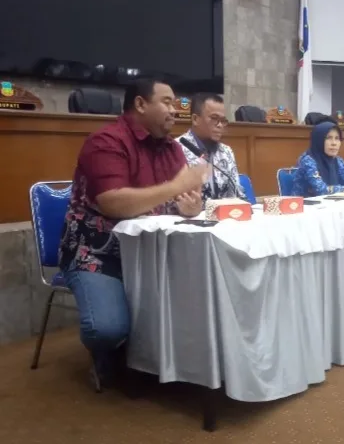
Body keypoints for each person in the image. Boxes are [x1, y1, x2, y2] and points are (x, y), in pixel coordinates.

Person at [58, 78, 208, 385]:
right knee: (107, 329)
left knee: (201, 295)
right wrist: (176, 187)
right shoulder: (105, 142)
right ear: (140, 104)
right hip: (98, 254)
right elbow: (113, 202)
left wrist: (190, 206)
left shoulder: (172, 149)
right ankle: (109, 352)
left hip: (152, 252)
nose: (175, 110)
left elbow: (183, 195)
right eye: (166, 102)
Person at [177, 92, 246, 204]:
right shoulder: (177, 149)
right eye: (214, 118)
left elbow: (237, 194)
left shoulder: (226, 151)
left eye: (223, 120)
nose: (220, 125)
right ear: (195, 119)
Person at [292, 120, 344, 197]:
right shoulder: (308, 160)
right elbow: (321, 190)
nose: (334, 143)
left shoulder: (338, 161)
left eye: (337, 138)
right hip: (304, 205)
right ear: (319, 140)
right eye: (328, 138)